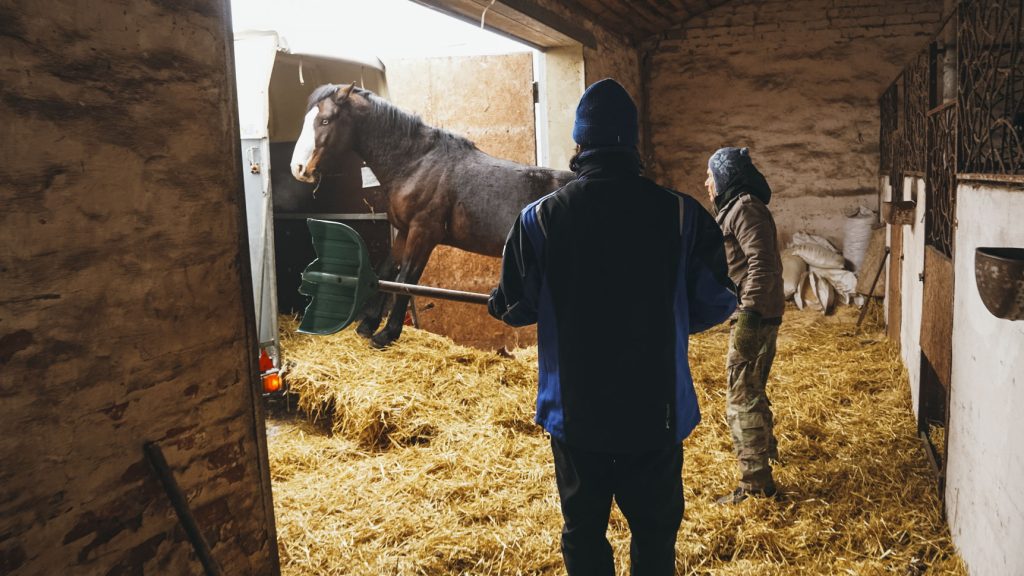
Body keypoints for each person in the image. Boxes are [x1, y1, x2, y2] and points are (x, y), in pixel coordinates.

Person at [488, 78, 737, 576]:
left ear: (578, 145)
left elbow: (516, 307)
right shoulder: (682, 215)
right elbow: (714, 303)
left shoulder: (538, 220)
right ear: (633, 143)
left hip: (578, 418)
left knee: (584, 536)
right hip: (657, 413)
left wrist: (502, 300)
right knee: (654, 536)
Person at [704, 147, 785, 505]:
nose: (706, 183)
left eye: (710, 175)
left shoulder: (745, 207)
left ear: (725, 175)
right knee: (751, 387)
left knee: (741, 397)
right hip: (756, 312)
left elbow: (762, 263)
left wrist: (749, 315)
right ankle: (765, 454)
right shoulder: (737, 208)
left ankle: (755, 485)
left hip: (757, 315)